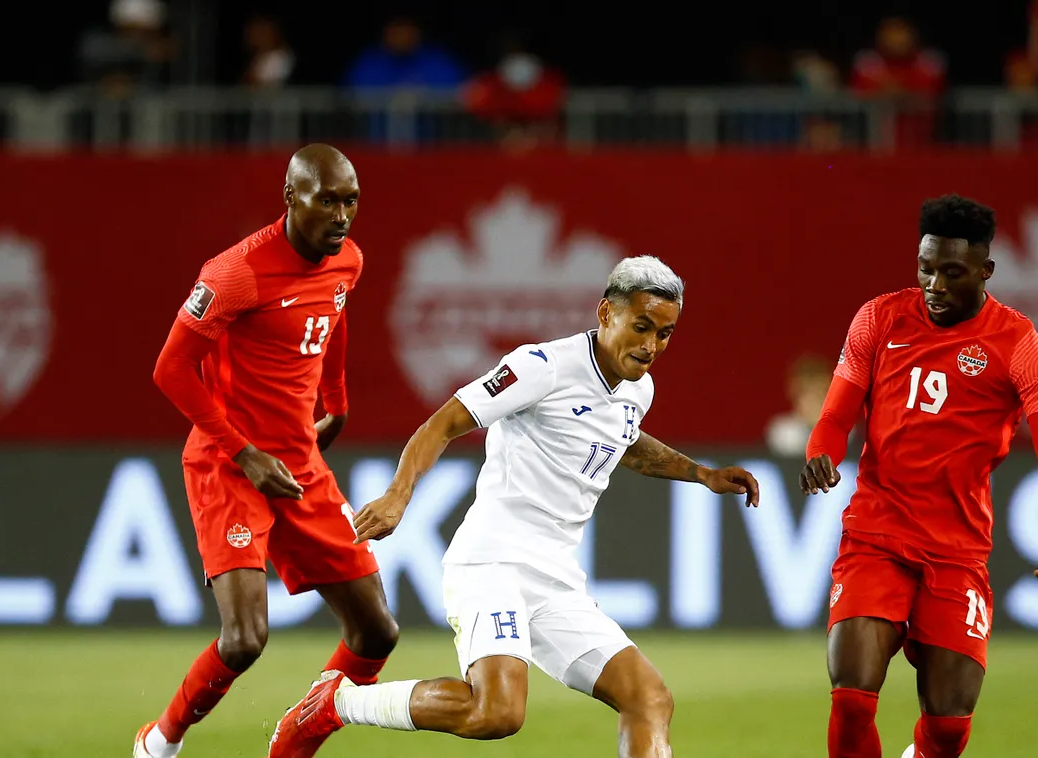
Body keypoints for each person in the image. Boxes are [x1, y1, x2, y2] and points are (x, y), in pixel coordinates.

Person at [267, 256, 761, 758]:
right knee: (497, 713)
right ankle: (337, 703)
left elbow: (625, 441)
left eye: (665, 333)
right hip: (493, 561)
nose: (651, 345)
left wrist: (700, 473)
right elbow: (444, 423)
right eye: (641, 327)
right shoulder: (541, 367)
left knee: (650, 698)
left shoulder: (639, 390)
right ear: (605, 313)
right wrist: (398, 495)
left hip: (556, 579)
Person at [799, 195, 1038, 758]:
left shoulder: (1023, 348)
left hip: (956, 551)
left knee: (949, 726)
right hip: (876, 536)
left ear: (985, 271)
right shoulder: (879, 318)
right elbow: (836, 415)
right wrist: (822, 452)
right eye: (925, 267)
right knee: (853, 695)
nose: (934, 283)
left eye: (951, 272)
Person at [136, 144, 397, 758]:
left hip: (300, 466)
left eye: (351, 201)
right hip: (229, 465)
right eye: (326, 200)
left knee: (376, 632)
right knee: (245, 639)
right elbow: (171, 369)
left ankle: (293, 743)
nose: (341, 215)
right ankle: (160, 741)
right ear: (290, 197)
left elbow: (335, 317)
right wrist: (245, 453)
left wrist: (338, 396)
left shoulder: (348, 260)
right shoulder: (235, 272)